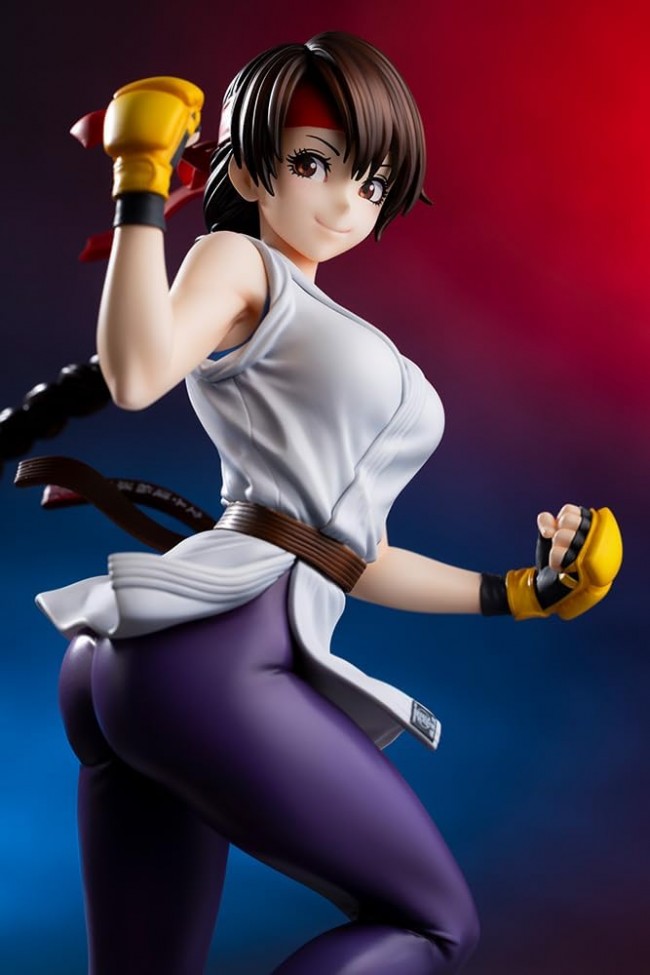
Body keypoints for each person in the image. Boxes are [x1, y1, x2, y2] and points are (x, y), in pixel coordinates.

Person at [36, 32, 622, 975]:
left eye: (374, 181)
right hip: (207, 659)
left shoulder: (309, 310)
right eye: (315, 163)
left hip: (154, 659)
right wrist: (138, 181)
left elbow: (349, 553)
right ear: (250, 168)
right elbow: (137, 372)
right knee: (434, 924)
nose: (347, 200)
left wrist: (520, 591)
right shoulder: (241, 262)